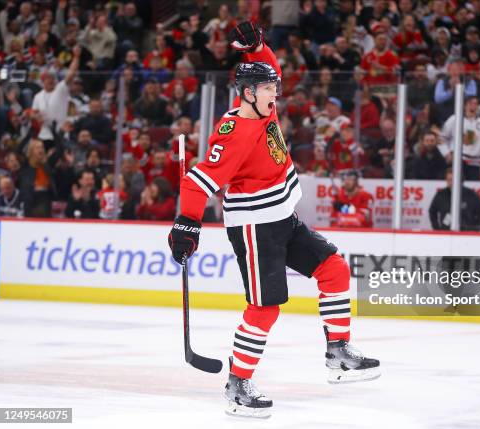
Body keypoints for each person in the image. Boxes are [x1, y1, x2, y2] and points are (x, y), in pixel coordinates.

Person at [167, 21, 379, 419]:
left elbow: (269, 71)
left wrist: (258, 49)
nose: (275, 92)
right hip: (254, 228)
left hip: (283, 217)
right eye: (268, 89)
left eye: (272, 89)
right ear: (248, 94)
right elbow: (199, 181)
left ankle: (338, 352)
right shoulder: (233, 132)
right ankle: (237, 385)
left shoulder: (263, 107)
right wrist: (186, 224)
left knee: (333, 269)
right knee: (265, 308)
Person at [440, 96, 480, 180]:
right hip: (458, 160)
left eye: (476, 104)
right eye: (470, 103)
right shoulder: (454, 119)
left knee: (473, 188)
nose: (473, 106)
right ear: (465, 106)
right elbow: (441, 138)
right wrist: (446, 154)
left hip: (475, 162)